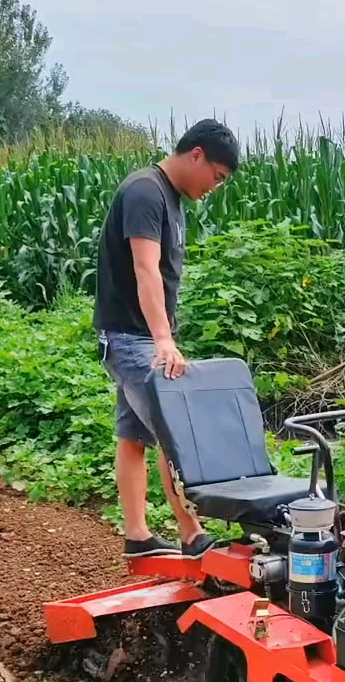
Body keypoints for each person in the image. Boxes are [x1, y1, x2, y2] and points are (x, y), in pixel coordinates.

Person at [94, 118, 239, 558]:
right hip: (132, 338)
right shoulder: (145, 191)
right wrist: (163, 338)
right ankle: (192, 533)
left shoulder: (168, 198)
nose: (215, 187)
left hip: (136, 337)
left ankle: (137, 535)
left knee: (133, 437)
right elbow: (146, 269)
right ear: (196, 154)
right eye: (216, 176)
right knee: (176, 430)